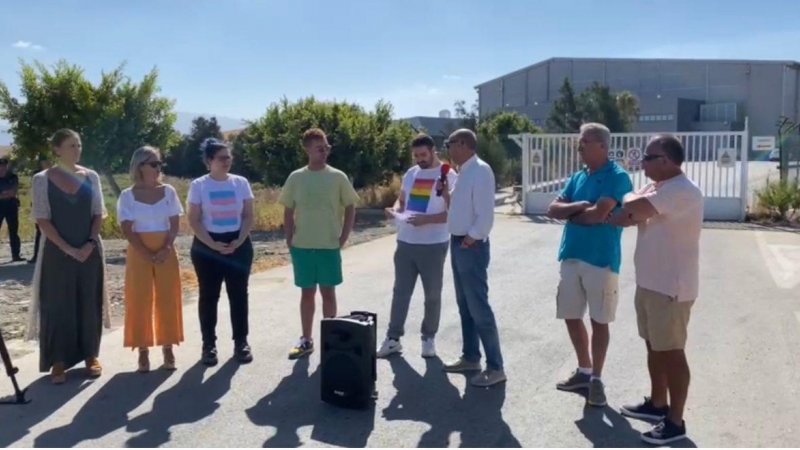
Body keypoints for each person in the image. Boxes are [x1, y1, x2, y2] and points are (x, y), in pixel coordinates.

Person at [608, 134, 703, 445]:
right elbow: (629, 207)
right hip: (650, 283)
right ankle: (657, 404)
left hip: (670, 288)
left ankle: (675, 422)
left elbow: (632, 207)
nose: (642, 162)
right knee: (653, 345)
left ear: (666, 161)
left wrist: (632, 206)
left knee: (672, 352)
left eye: (648, 158)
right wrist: (632, 206)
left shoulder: (680, 191)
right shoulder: (659, 188)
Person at [546, 122, 632, 407]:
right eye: (579, 142)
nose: (579, 146)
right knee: (571, 315)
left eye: (584, 142)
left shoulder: (617, 177)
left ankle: (596, 378)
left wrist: (574, 212)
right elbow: (552, 209)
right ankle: (583, 370)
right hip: (571, 256)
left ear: (602, 146)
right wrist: (578, 206)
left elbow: (599, 215)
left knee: (599, 320)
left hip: (601, 260)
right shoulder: (578, 177)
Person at [26, 128, 111, 385]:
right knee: (57, 305)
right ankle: (58, 361)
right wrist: (67, 248)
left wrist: (88, 243)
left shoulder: (91, 177)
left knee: (88, 302)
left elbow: (98, 213)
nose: (77, 150)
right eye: (72, 145)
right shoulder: (41, 179)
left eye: (79, 145)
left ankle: (90, 355)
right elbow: (42, 219)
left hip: (88, 250)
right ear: (57, 149)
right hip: (57, 252)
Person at [279, 128, 359, 360]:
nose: (325, 152)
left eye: (327, 147)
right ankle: (306, 340)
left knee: (329, 293)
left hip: (328, 246)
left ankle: (330, 341)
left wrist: (343, 236)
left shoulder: (337, 177)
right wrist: (289, 238)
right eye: (320, 148)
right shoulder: (296, 177)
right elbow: (288, 209)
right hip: (302, 246)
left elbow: (351, 206)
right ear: (307, 149)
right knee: (307, 293)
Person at [377, 133, 457, 359]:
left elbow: (454, 214)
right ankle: (393, 339)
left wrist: (427, 220)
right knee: (400, 292)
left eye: (423, 154)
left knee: (432, 294)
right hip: (405, 242)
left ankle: (428, 338)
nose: (419, 159)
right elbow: (402, 201)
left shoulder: (449, 175)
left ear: (433, 151)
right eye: (416, 156)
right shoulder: (411, 174)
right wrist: (394, 210)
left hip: (433, 244)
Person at [438, 128, 505, 387]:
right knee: (464, 304)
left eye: (449, 143)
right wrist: (445, 194)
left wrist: (472, 237)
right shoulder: (464, 172)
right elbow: (454, 206)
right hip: (458, 242)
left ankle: (496, 367)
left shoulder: (481, 170)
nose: (447, 148)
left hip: (470, 244)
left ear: (463, 144)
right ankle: (470, 357)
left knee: (478, 306)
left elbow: (486, 214)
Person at [187, 138, 255, 366]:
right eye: (221, 158)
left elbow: (248, 215)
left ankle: (241, 342)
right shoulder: (199, 185)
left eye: (229, 157)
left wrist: (239, 239)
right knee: (209, 296)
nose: (227, 161)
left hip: (238, 243)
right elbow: (194, 220)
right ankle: (209, 345)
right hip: (207, 247)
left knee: (238, 295)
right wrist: (212, 244)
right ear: (209, 161)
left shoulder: (241, 183)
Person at [118, 146, 184, 372]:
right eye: (153, 164)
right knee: (139, 298)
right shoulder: (127, 195)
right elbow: (127, 229)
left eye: (159, 164)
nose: (158, 168)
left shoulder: (168, 191)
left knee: (168, 296)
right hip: (139, 250)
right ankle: (143, 349)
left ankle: (168, 346)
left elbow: (174, 224)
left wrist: (166, 247)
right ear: (140, 166)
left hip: (165, 249)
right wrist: (145, 252)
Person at [28, 155, 53, 264]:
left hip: (53, 205)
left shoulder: (56, 173)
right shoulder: (37, 175)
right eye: (45, 161)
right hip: (40, 205)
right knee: (40, 231)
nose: (47, 163)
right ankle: (37, 256)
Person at [0, 156, 23, 262]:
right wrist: (6, 194)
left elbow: (13, 192)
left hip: (11, 206)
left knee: (13, 230)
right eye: (0, 166)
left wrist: (4, 194)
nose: (2, 168)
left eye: (4, 166)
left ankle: (15, 254)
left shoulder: (12, 177)